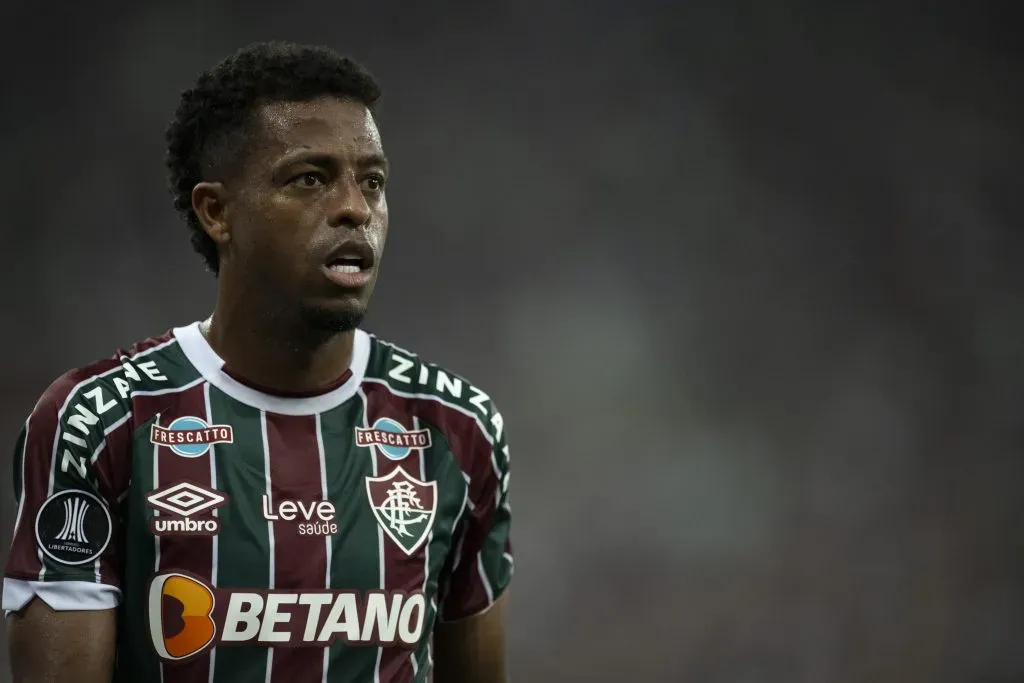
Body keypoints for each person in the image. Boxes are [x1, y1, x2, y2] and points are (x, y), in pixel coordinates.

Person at [4, 41, 512, 683]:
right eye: (311, 178)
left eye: (373, 181)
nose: (356, 207)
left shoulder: (455, 428)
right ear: (217, 212)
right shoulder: (99, 421)